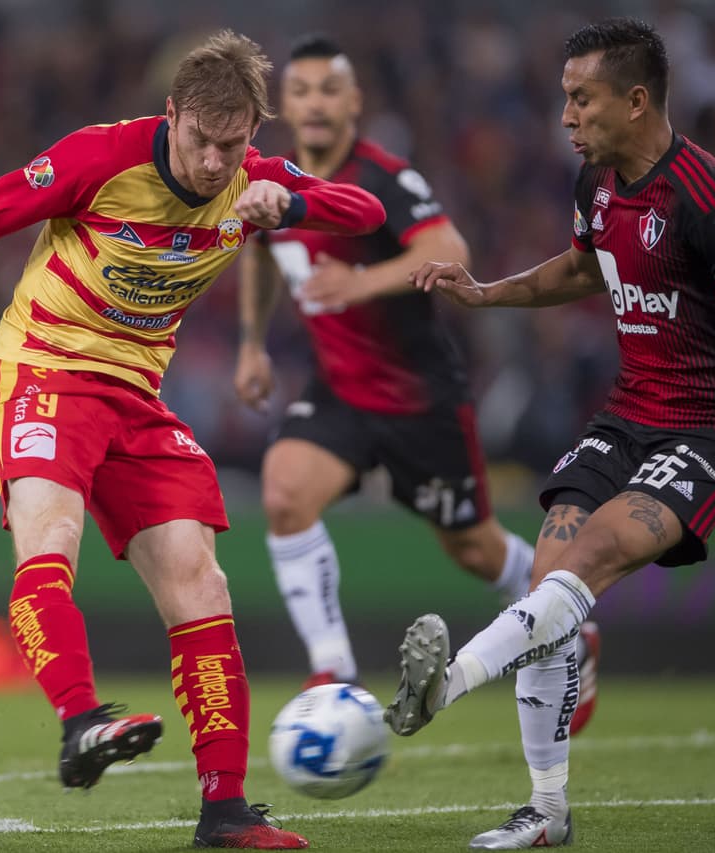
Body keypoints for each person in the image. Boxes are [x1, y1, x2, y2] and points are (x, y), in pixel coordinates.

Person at [0, 30, 386, 850]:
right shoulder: (99, 160)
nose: (215, 163)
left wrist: (293, 202)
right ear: (169, 115)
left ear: (253, 135)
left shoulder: (255, 181)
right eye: (200, 141)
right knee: (51, 537)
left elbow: (370, 210)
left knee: (201, 582)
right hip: (40, 370)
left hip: (135, 398)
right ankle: (80, 722)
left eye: (233, 145)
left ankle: (225, 810)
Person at [393, 18, 715, 849]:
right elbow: (585, 268)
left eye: (581, 98)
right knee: (550, 578)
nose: (565, 116)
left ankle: (442, 690)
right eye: (562, 98)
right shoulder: (595, 183)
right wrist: (485, 293)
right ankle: (547, 812)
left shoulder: (712, 202)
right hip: (631, 414)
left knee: (578, 566)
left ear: (636, 100)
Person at [234, 32, 598, 733]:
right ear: (285, 103)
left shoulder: (382, 177)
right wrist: (252, 343)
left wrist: (361, 282)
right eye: (301, 91)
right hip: (339, 391)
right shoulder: (269, 179)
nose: (313, 103)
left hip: (418, 400)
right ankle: (334, 670)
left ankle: (572, 614)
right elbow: (261, 248)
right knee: (284, 489)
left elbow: (448, 249)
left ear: (353, 102)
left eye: (328, 90)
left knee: (473, 546)